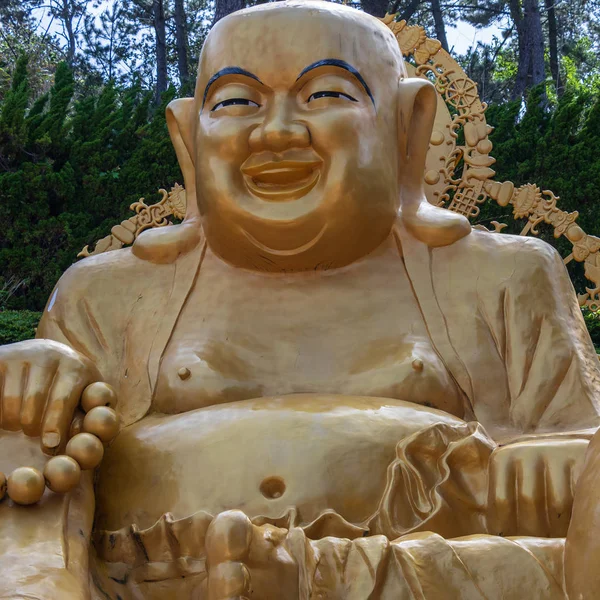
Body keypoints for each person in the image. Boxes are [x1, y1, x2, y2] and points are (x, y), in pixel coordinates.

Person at [0, 2, 599, 598]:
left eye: (326, 94)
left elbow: (586, 453)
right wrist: (32, 393)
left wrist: (554, 456)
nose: (278, 132)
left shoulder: (502, 277)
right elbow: (34, 478)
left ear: (407, 123)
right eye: (236, 102)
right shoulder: (105, 293)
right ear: (188, 137)